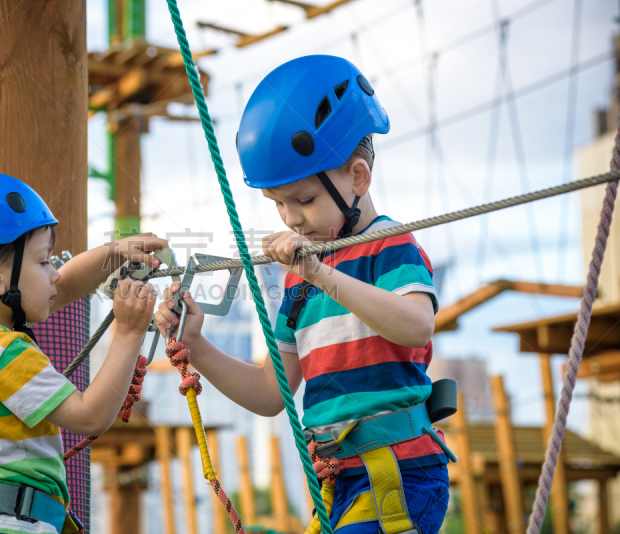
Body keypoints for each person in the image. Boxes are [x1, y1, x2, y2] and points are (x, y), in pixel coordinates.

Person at [155, 56, 452, 534]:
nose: (291, 218)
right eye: (278, 204)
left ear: (357, 178)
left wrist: (322, 276)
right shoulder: (300, 281)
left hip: (399, 472)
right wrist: (197, 346)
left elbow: (417, 325)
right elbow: (273, 394)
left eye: (305, 200)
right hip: (336, 482)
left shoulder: (389, 244)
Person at [0, 172, 164, 534]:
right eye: (44, 262)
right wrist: (130, 332)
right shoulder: (5, 352)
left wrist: (114, 252)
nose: (54, 274)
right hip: (13, 525)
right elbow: (89, 417)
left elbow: (64, 285)